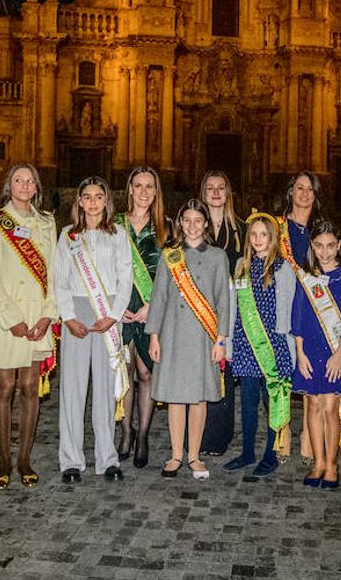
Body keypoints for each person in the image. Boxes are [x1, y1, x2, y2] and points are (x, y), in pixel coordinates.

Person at [0, 164, 58, 489]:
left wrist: (48, 315)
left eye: (30, 181)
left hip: (38, 318)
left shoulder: (47, 222)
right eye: (18, 180)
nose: (24, 185)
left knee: (29, 388)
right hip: (7, 320)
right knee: (4, 388)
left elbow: (55, 272)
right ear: (9, 186)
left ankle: (24, 460)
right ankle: (4, 462)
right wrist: (11, 319)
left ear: (37, 187)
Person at [52, 177, 133, 483]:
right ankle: (71, 461)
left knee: (105, 389)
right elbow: (59, 279)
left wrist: (113, 315)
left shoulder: (118, 235)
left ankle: (107, 459)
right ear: (80, 202)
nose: (93, 202)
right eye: (87, 197)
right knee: (72, 389)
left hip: (107, 313)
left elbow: (125, 278)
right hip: (76, 311)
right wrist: (68, 317)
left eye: (99, 196)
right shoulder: (68, 235)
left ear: (106, 201)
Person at [146, 199, 233, 480]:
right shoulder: (170, 256)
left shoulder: (218, 256)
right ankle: (175, 455)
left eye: (198, 220)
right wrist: (154, 337)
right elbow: (158, 298)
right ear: (180, 223)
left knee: (198, 397)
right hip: (172, 334)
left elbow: (224, 300)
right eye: (187, 220)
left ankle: (194, 455)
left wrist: (221, 340)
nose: (192, 226)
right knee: (175, 396)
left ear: (206, 223)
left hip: (204, 337)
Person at [224, 212, 296, 478]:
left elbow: (288, 307)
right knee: (248, 402)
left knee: (273, 401)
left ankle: (271, 454)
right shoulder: (241, 265)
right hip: (246, 343)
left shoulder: (282, 267)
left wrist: (286, 344)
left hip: (273, 345)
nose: (257, 239)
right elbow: (233, 306)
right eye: (253, 234)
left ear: (272, 237)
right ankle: (247, 452)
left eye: (263, 234)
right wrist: (229, 342)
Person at [291, 220, 341, 490]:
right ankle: (318, 461)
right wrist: (300, 353)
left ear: (339, 245)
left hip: (335, 350)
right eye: (319, 246)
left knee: (330, 408)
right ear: (312, 245)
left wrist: (338, 355)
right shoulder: (306, 276)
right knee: (314, 405)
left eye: (330, 246)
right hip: (309, 349)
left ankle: (331, 464)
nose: (325, 252)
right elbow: (297, 316)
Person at [115, 167, 168, 469]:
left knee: (146, 372)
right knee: (124, 373)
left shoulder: (165, 228)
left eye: (150, 186)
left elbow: (171, 275)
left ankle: (144, 434)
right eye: (139, 185)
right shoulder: (114, 225)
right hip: (122, 308)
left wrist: (153, 305)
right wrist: (114, 305)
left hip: (151, 307)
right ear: (130, 189)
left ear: (156, 191)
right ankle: (127, 432)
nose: (144, 192)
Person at [198, 170, 245, 457]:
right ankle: (197, 433)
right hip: (198, 308)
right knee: (200, 371)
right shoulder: (194, 225)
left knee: (223, 371)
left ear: (228, 193)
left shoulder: (241, 229)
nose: (216, 193)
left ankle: (218, 435)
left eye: (221, 187)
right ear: (203, 193)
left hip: (230, 308)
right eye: (210, 188)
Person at [281, 170, 324, 465]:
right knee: (284, 372)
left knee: (309, 373)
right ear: (291, 192)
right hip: (284, 305)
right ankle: (282, 433)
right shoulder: (278, 227)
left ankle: (308, 436)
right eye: (300, 188)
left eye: (310, 189)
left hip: (312, 308)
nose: (305, 194)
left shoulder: (321, 231)